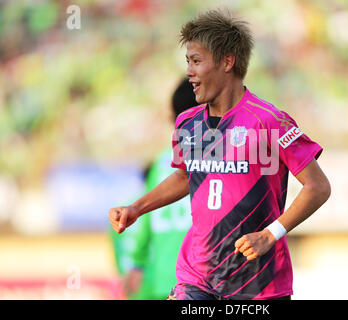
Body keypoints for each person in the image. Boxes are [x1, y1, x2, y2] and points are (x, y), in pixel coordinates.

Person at [109, 9, 331, 300]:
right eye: (187, 62)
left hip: (257, 282)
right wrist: (137, 208)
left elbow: (318, 186)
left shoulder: (269, 121)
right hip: (197, 277)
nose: (189, 72)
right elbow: (185, 177)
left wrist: (270, 234)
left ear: (227, 61)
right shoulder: (187, 123)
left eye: (196, 61)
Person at [110, 78, 198, 299]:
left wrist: (137, 264)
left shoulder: (160, 163)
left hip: (164, 272)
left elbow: (145, 218)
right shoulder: (211, 157)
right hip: (199, 273)